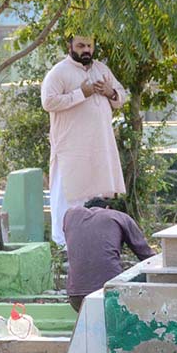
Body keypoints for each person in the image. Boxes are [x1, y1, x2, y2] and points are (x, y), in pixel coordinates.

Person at [41, 35, 127, 246]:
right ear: (69, 46)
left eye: (89, 45)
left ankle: (93, 244)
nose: (86, 50)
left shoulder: (102, 70)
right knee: (68, 198)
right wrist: (81, 93)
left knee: (95, 198)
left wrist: (111, 92)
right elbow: (48, 102)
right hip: (71, 149)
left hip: (99, 148)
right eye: (81, 46)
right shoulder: (59, 72)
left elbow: (122, 96)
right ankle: (65, 246)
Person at [63, 198, 155, 312]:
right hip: (110, 293)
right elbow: (146, 255)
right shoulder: (118, 216)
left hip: (76, 297)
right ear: (108, 208)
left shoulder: (70, 215)